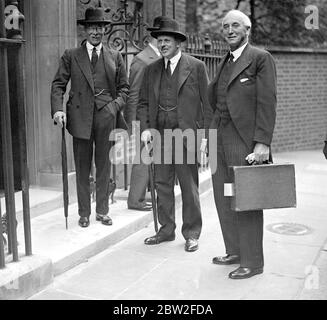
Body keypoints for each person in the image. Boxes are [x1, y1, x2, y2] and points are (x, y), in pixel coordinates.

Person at [205, 10, 277, 279]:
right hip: (220, 141)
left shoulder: (260, 58)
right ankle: (234, 251)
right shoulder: (225, 61)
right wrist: (208, 137)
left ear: (248, 29)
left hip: (245, 144)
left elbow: (267, 103)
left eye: (235, 25)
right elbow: (216, 103)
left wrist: (262, 143)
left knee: (246, 199)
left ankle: (253, 262)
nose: (230, 30)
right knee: (224, 197)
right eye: (225, 26)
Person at [137, 17, 211, 252]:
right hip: (159, 136)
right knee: (162, 184)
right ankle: (166, 229)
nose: (162, 45)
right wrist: (146, 129)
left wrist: (206, 138)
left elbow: (207, 105)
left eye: (167, 40)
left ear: (179, 43)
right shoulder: (151, 70)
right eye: (159, 41)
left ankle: (191, 233)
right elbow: (142, 102)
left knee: (189, 186)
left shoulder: (196, 67)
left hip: (186, 136)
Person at [51, 7, 129, 228]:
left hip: (107, 116)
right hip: (79, 117)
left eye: (99, 27)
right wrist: (58, 109)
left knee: (104, 165)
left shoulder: (115, 56)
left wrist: (114, 107)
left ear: (104, 30)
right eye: (91, 27)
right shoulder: (71, 55)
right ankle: (84, 212)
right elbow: (58, 84)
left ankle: (102, 211)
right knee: (83, 165)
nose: (96, 32)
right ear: (84, 30)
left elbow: (125, 88)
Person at [125, 16, 164, 211]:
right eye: (162, 36)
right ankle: (135, 200)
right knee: (143, 158)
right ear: (154, 36)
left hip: (157, 117)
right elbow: (133, 94)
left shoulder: (161, 57)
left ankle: (145, 196)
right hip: (144, 119)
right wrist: (134, 125)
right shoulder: (142, 60)